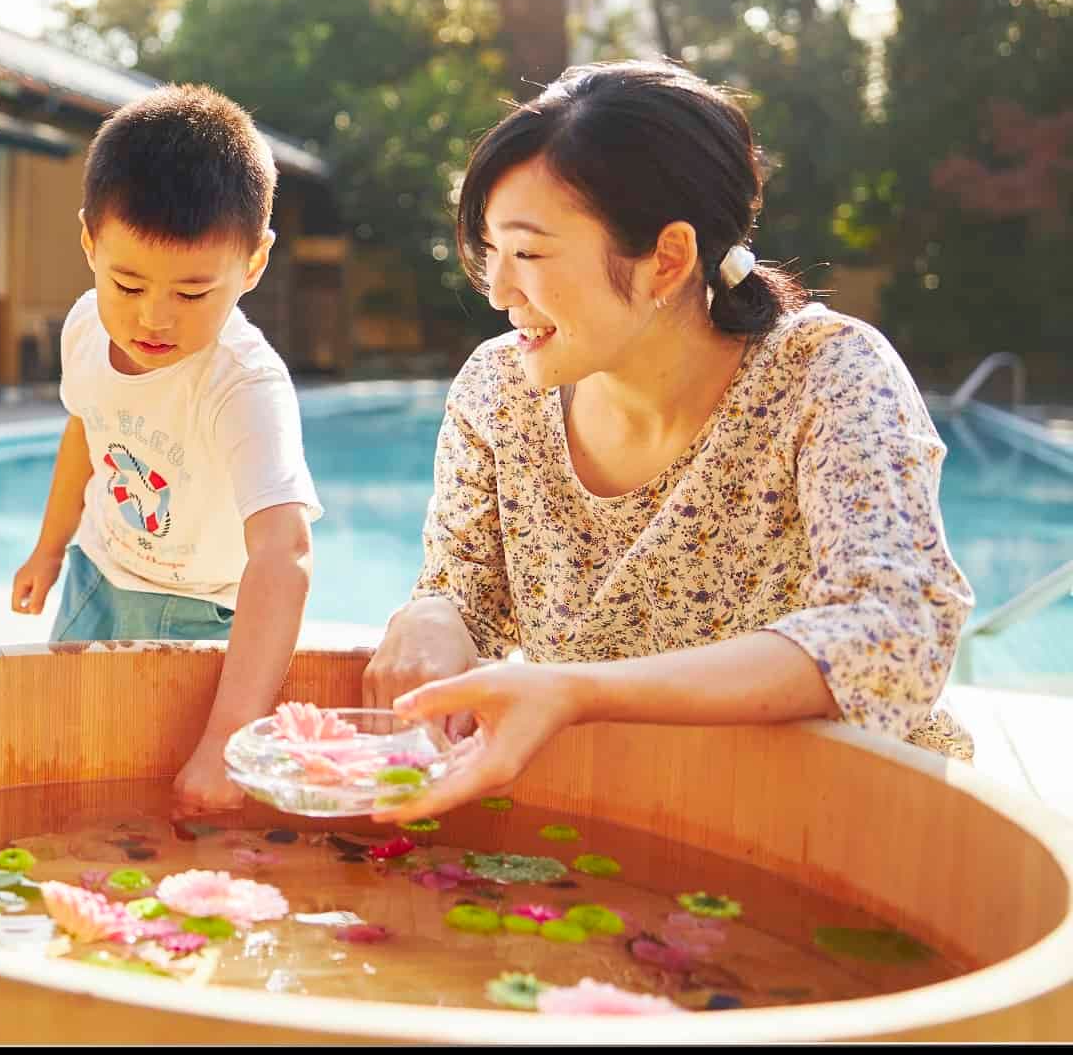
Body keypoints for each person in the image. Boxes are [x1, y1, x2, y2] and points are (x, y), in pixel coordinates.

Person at [362, 60, 975, 825]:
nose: (497, 289)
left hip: (851, 828)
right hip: (634, 821)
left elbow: (896, 631)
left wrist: (578, 691)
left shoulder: (826, 376)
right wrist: (435, 613)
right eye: (490, 250)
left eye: (530, 252)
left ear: (669, 259)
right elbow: (465, 594)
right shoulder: (500, 390)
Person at [9, 86, 322, 813]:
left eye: (192, 292)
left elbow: (285, 552)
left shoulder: (243, 384)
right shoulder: (88, 326)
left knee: (166, 797)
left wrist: (228, 740)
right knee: (70, 769)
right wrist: (51, 548)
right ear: (90, 243)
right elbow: (86, 428)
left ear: (252, 265)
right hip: (97, 577)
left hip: (198, 617)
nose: (152, 317)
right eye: (127, 281)